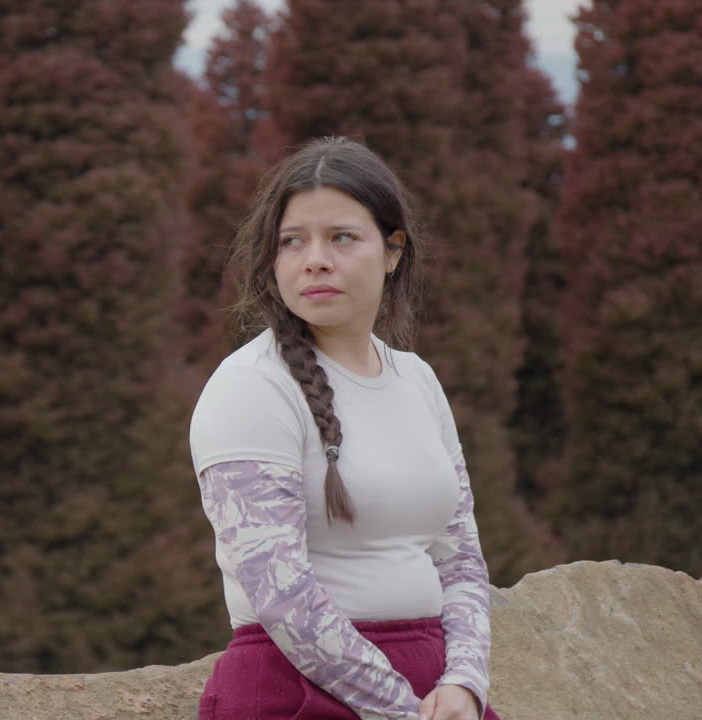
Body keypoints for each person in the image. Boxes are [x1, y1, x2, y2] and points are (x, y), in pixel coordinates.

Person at [189, 137, 501, 720]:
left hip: (436, 691)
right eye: (292, 241)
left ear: (392, 251)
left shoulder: (417, 380)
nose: (315, 260)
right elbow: (280, 593)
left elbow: (460, 561)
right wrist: (399, 708)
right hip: (297, 690)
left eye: (342, 237)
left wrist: (464, 683)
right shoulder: (250, 387)